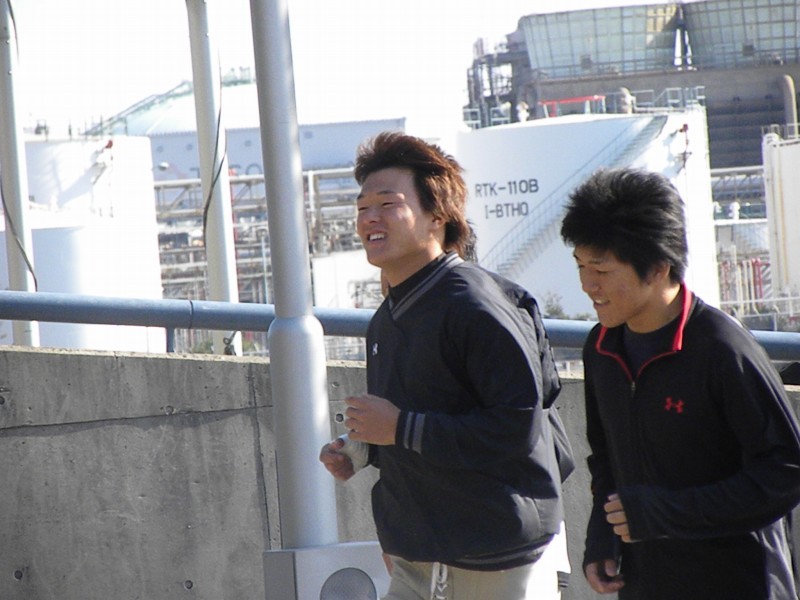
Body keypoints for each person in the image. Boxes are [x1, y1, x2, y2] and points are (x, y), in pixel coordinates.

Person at [320, 131, 569, 600]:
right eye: (362, 207)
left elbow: (516, 427)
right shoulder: (388, 316)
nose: (369, 218)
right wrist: (364, 449)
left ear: (438, 216)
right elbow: (427, 417)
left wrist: (399, 428)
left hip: (498, 556)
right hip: (418, 556)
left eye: (387, 204)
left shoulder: (476, 305)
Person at [559, 167, 800, 600]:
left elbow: (786, 471)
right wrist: (602, 537)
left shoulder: (722, 350)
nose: (587, 285)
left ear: (657, 268)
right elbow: (607, 461)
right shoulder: (601, 348)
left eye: (601, 269)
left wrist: (664, 512)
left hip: (738, 582)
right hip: (645, 581)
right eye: (579, 265)